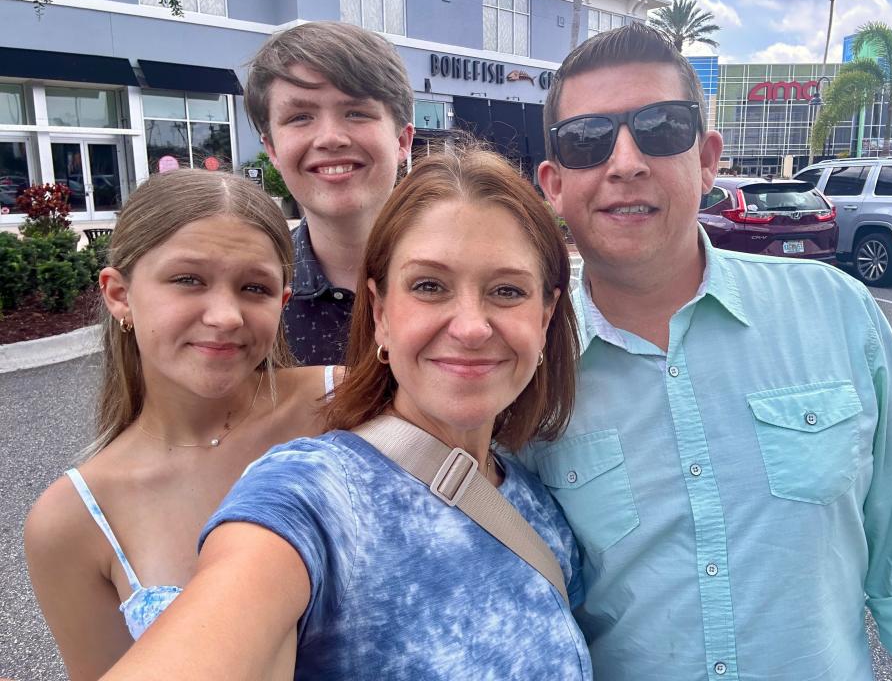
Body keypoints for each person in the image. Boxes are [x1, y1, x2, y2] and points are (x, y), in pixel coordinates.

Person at [522, 23, 892, 680]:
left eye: (661, 127)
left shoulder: (836, 313)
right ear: (554, 184)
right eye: (588, 140)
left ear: (706, 160)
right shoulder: (526, 368)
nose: (625, 162)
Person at [98, 148, 590, 680]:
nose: (471, 327)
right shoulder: (311, 494)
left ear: (544, 317)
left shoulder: (537, 500)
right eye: (429, 286)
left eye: (507, 291)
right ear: (380, 312)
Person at [23, 169, 337, 681]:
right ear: (119, 294)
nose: (225, 315)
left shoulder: (340, 407)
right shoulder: (73, 520)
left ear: (282, 303)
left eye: (254, 287)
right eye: (188, 279)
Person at [245, 21, 415, 365]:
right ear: (272, 149)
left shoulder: (470, 274)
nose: (330, 138)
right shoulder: (247, 293)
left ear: (401, 141)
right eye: (300, 117)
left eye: (355, 112)